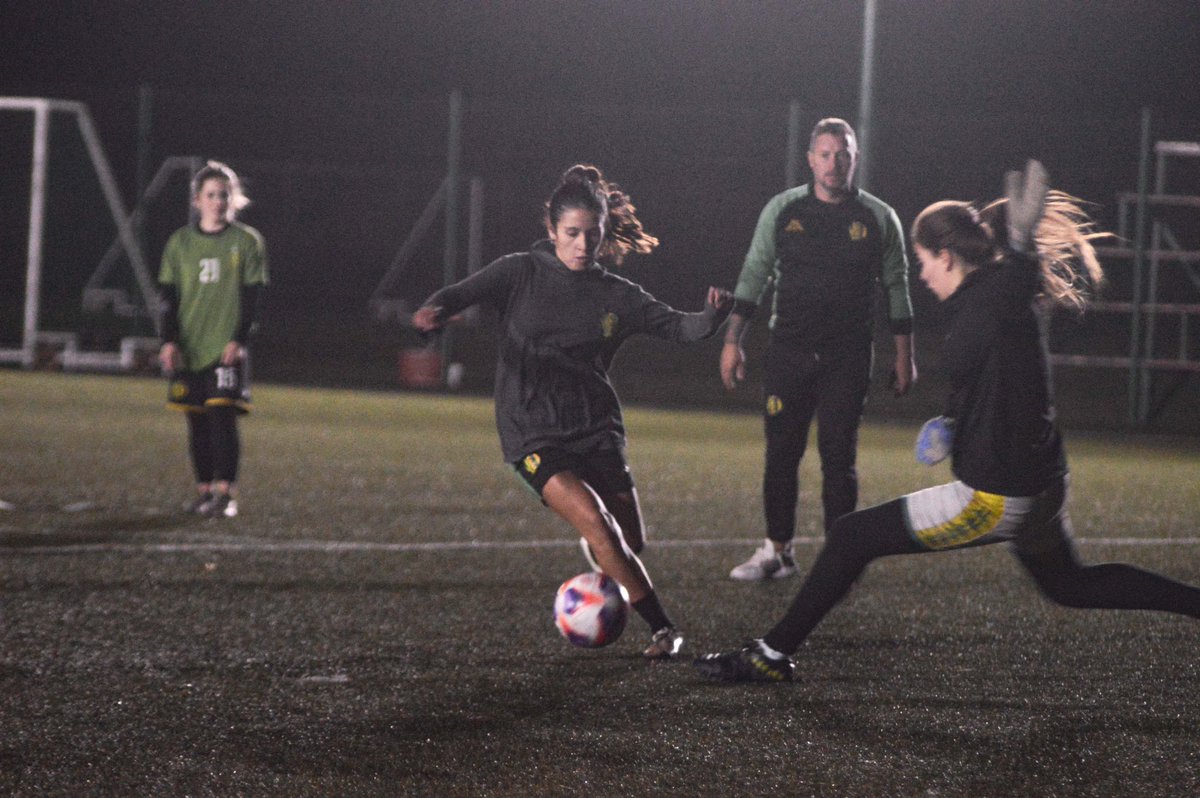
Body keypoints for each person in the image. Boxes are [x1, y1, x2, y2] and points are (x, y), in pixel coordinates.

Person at [695, 160, 1200, 683]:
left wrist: (1024, 249)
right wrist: (954, 420)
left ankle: (770, 656)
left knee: (850, 537)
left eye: (922, 260)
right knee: (1069, 586)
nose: (920, 273)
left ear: (947, 255)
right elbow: (995, 364)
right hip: (1043, 482)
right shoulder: (985, 298)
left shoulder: (998, 295)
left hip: (999, 495)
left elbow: (1013, 295)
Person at [413, 164, 731, 659]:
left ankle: (601, 554)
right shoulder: (519, 271)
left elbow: (680, 328)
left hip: (595, 427)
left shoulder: (616, 296)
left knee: (629, 545)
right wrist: (434, 311)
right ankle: (664, 630)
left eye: (592, 235)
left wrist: (712, 316)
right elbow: (459, 295)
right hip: (532, 430)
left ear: (604, 234)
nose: (583, 245)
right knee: (602, 529)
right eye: (572, 233)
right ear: (551, 230)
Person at [722, 117, 916, 582]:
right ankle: (777, 551)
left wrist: (904, 354)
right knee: (781, 453)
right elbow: (754, 275)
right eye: (825, 154)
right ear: (811, 160)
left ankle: (839, 558)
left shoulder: (878, 216)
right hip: (789, 352)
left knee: (839, 458)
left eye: (843, 153)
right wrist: (733, 340)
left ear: (855, 158)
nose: (835, 163)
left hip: (848, 357)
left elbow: (896, 285)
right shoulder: (783, 210)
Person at [158, 161, 268, 519]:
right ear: (196, 200)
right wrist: (169, 341)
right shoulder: (179, 243)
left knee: (222, 415)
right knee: (196, 420)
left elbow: (252, 297)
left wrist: (239, 338)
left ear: (234, 199)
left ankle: (226, 493)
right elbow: (168, 298)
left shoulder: (247, 241)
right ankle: (204, 491)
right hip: (190, 347)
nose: (218, 201)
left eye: (224, 195)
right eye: (211, 195)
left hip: (225, 347)